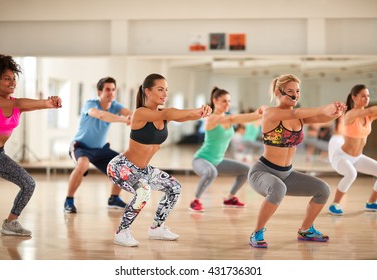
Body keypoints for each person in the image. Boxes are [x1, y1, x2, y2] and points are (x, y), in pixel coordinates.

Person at [107, 73, 212, 247]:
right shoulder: (140, 113)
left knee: (174, 187)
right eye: (160, 89)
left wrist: (201, 113)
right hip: (121, 166)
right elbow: (172, 112)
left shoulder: (163, 114)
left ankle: (157, 227)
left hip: (142, 170)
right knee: (143, 191)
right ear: (147, 91)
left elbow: (184, 117)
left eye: (166, 90)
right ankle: (122, 232)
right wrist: (197, 110)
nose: (164, 94)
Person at [247, 74, 346, 248]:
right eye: (291, 91)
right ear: (279, 92)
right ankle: (256, 232)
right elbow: (297, 111)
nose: (295, 95)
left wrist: (335, 113)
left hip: (287, 174)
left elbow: (320, 118)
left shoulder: (298, 118)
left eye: (298, 91)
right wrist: (324, 107)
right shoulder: (271, 113)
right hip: (262, 172)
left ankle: (306, 230)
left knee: (323, 189)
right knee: (278, 188)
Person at [0, 53, 62, 236]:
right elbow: (20, 102)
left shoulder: (15, 105)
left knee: (28, 183)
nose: (12, 82)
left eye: (14, 78)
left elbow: (30, 105)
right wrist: (45, 102)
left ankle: (11, 222)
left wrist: (48, 103)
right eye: (7, 79)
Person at [190, 87, 266, 212]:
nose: (227, 104)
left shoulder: (228, 118)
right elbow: (233, 118)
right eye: (224, 101)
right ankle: (195, 201)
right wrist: (255, 114)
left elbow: (237, 119)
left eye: (229, 101)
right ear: (215, 101)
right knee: (211, 172)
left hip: (218, 161)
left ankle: (230, 198)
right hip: (202, 159)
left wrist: (258, 115)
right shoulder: (212, 118)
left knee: (246, 170)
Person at [64, 77, 132, 213]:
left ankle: (114, 199)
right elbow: (100, 115)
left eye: (113, 90)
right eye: (107, 89)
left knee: (124, 165)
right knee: (82, 165)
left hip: (100, 149)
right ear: (99, 92)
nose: (111, 93)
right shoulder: (90, 104)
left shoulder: (115, 105)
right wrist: (124, 119)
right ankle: (69, 201)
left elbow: (132, 114)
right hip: (80, 146)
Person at [328, 84, 377, 215]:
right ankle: (334, 204)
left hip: (357, 158)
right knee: (351, 174)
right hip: (341, 157)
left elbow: (376, 113)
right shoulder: (350, 114)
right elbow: (370, 111)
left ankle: (372, 203)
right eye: (363, 96)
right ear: (354, 97)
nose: (366, 98)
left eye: (368, 96)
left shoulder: (368, 117)